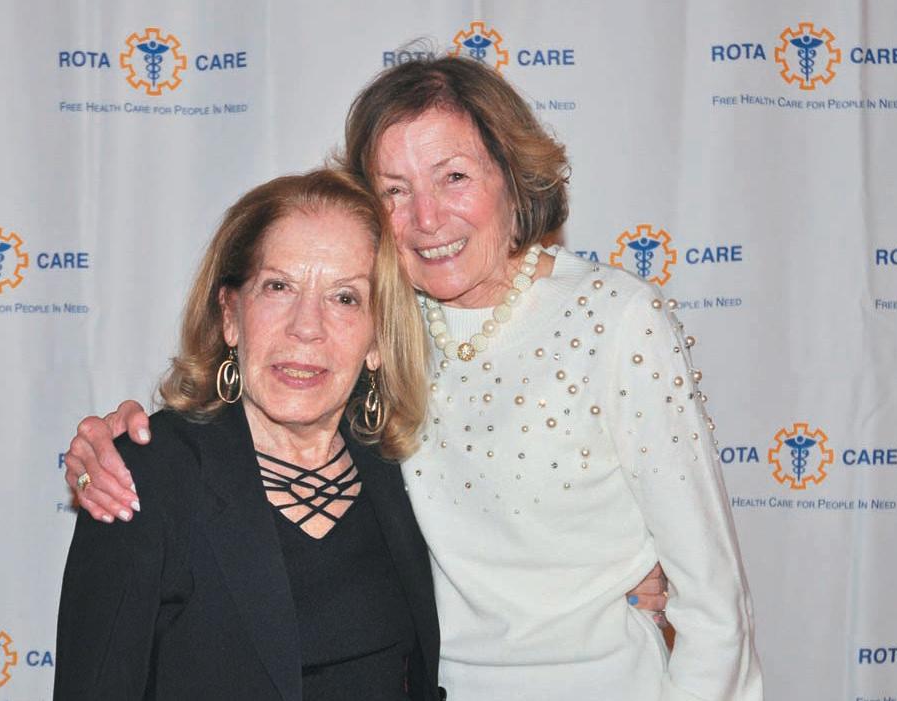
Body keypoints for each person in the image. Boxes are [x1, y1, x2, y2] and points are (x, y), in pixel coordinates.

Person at [63, 57, 762, 700]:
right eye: (395, 190)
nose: (427, 219)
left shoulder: (616, 321)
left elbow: (713, 605)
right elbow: (259, 408)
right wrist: (115, 444)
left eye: (453, 177)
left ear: (512, 174)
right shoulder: (384, 323)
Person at [55, 169, 443, 700]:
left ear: (378, 340)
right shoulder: (143, 476)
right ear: (231, 315)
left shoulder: (404, 473)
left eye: (345, 298)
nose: (307, 326)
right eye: (278, 287)